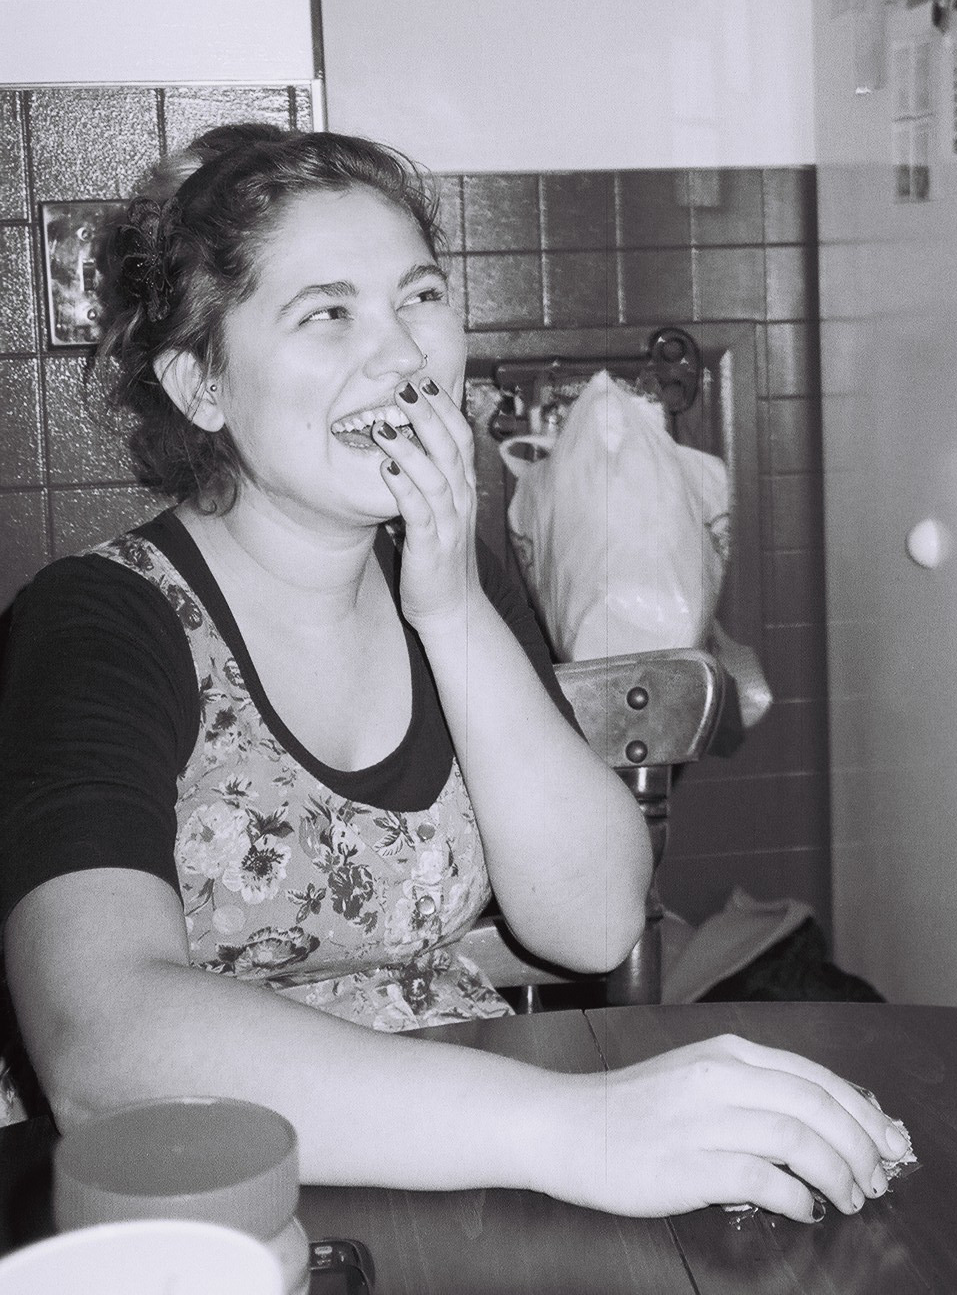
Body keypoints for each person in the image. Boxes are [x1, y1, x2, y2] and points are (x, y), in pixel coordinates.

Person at [0, 125, 907, 1222]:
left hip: (457, 1182)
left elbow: (592, 921)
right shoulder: (99, 620)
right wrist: (573, 1126)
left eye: (418, 297)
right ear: (201, 383)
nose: (402, 356)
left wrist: (451, 607)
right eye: (327, 312)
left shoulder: (440, 576)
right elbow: (102, 1046)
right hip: (197, 1207)